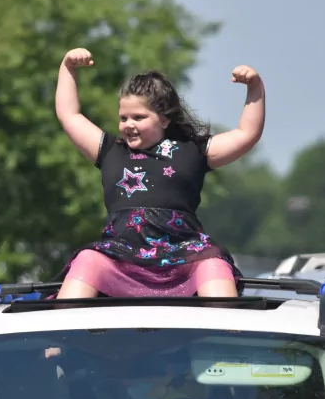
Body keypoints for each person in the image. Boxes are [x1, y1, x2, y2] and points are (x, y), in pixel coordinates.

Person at [53, 47, 266, 299]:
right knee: (87, 259)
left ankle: (224, 321)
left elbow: (246, 134)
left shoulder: (192, 151)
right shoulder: (110, 151)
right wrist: (67, 67)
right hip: (120, 259)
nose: (129, 125)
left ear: (164, 119)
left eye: (138, 117)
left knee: (214, 263)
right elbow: (69, 115)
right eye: (123, 118)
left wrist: (255, 86)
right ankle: (65, 324)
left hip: (185, 258)